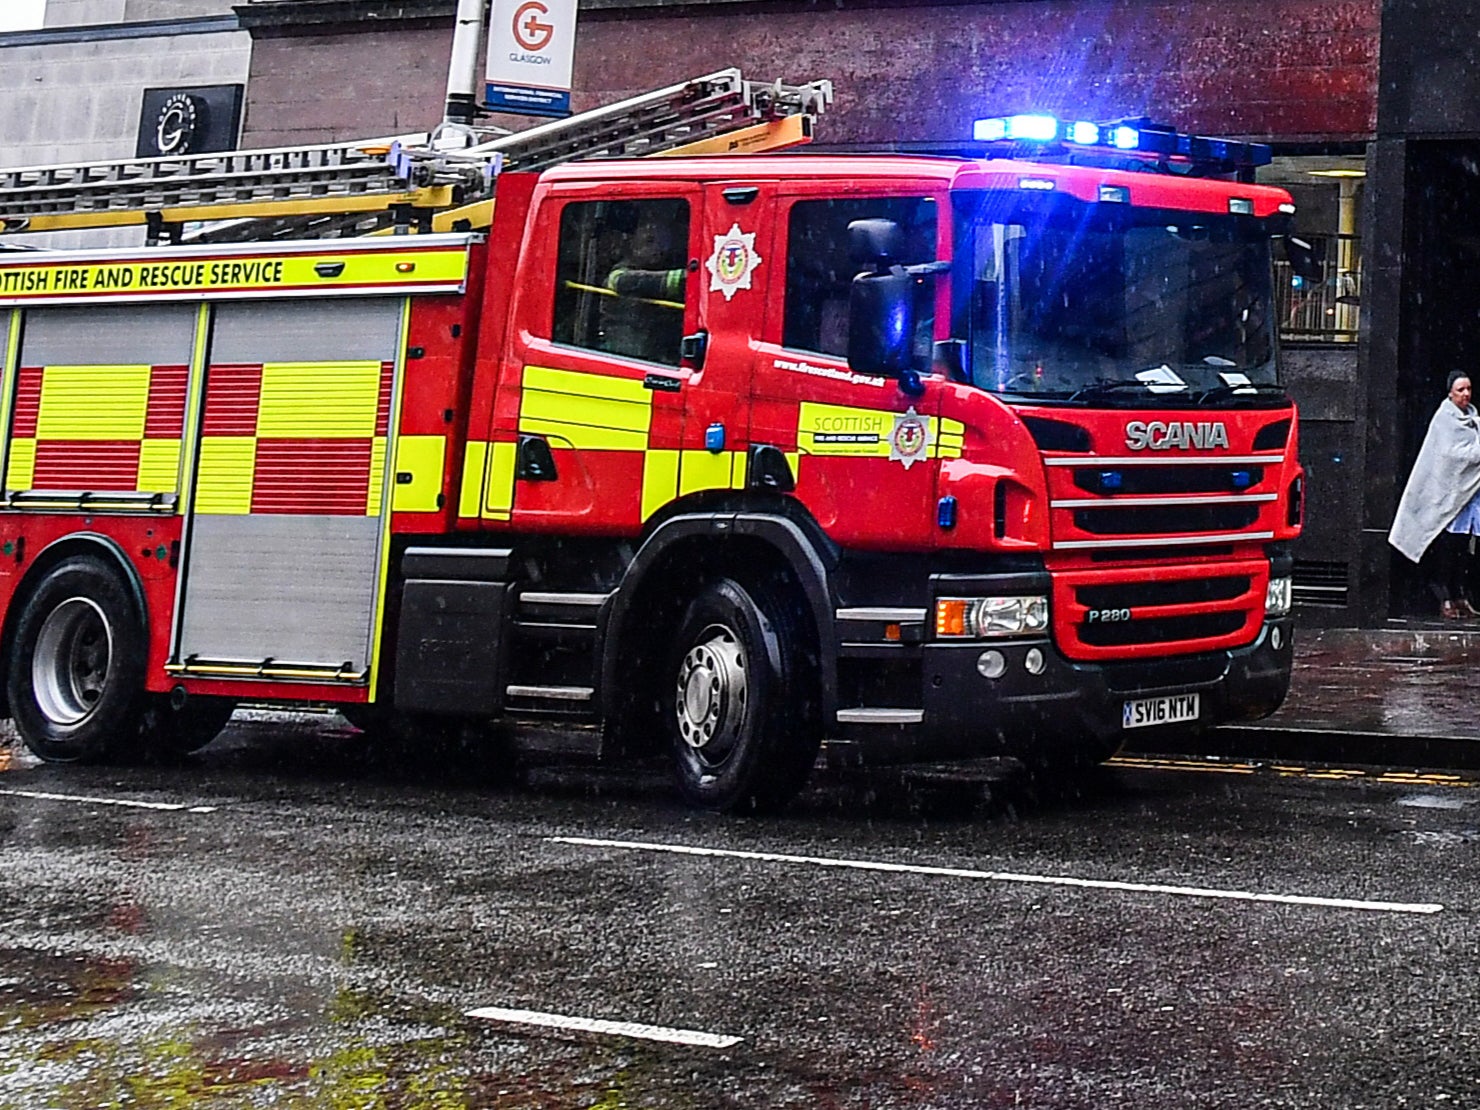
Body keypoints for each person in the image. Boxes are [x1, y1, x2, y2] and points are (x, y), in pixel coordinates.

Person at [1389, 371, 1480, 617]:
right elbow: (1451, 455)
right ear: (1450, 392)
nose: (1466, 394)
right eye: (1460, 390)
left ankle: (1461, 595)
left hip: (1469, 498)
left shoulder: (1474, 419)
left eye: (1468, 389)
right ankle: (1444, 598)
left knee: (1464, 549)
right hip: (1447, 496)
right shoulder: (1444, 419)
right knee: (1446, 548)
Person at [601, 217, 686, 364]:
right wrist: (695, 277)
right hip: (625, 353)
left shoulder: (658, 266)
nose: (658, 249)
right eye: (649, 241)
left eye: (663, 243)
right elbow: (642, 282)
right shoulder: (618, 275)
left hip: (653, 351)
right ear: (632, 243)